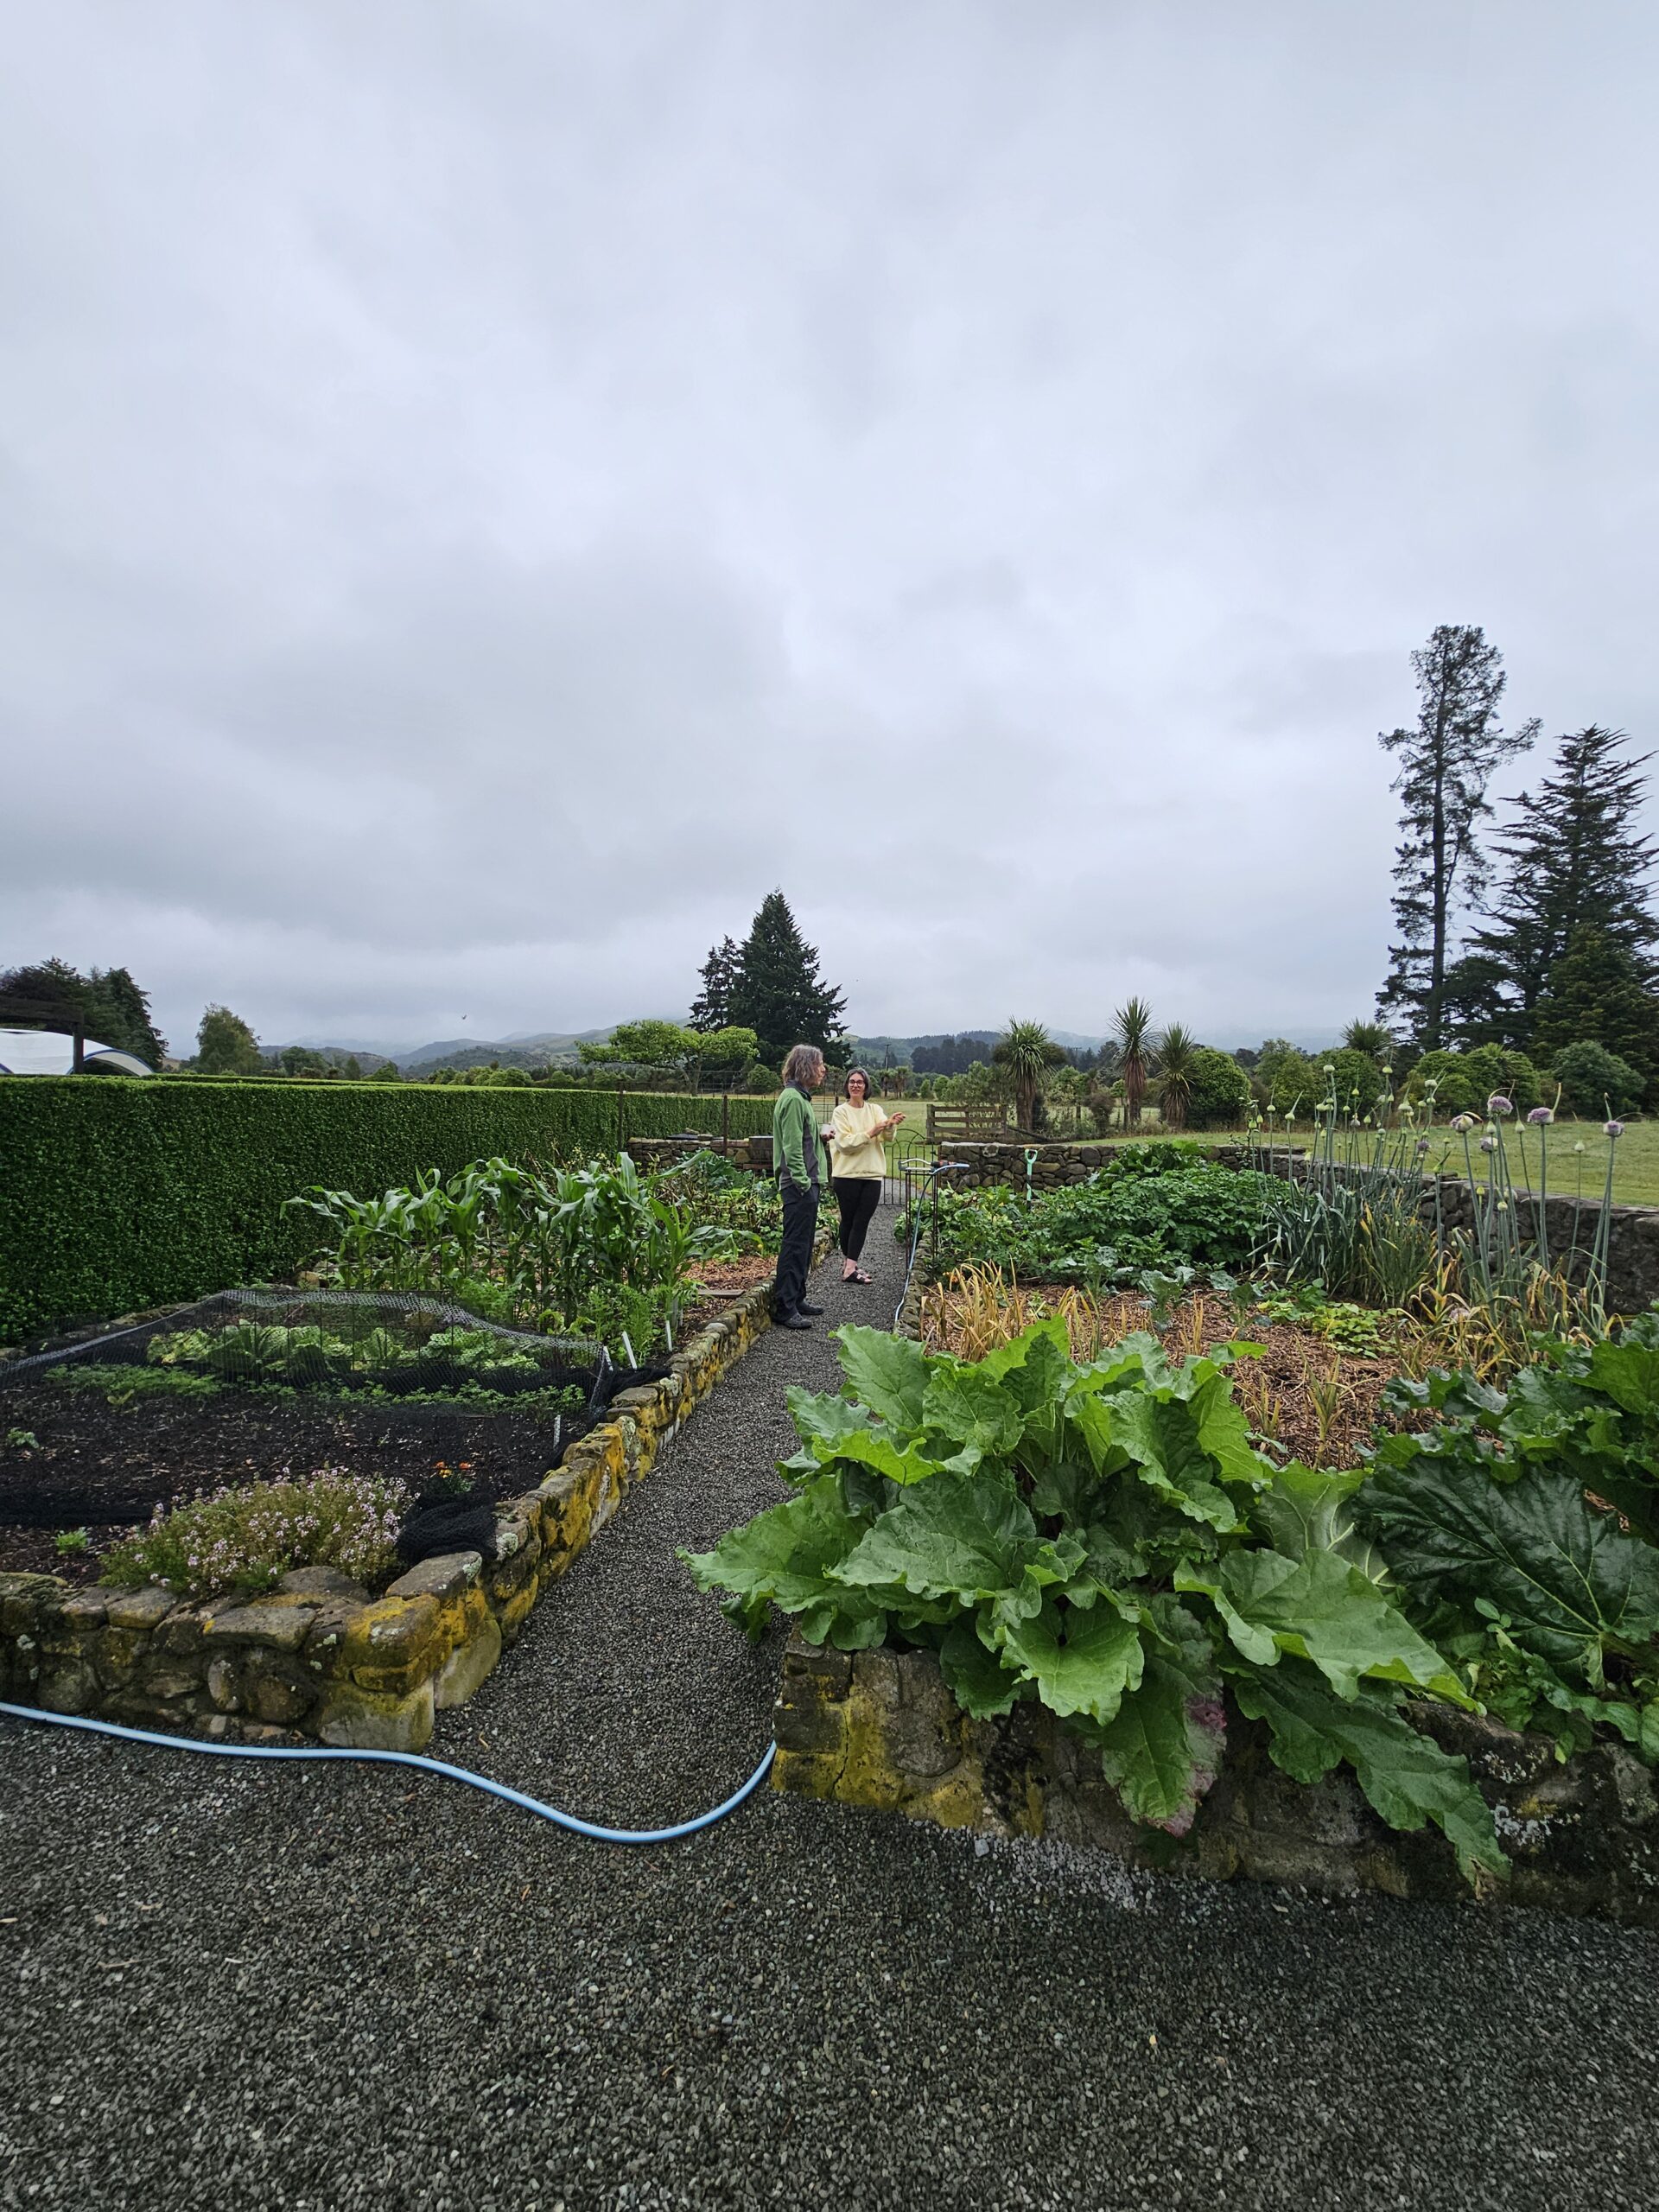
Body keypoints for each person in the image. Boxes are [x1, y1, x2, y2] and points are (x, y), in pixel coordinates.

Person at [827, 1067, 904, 1283]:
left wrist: (890, 1125)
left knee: (861, 1221)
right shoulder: (840, 1112)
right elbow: (844, 1144)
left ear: (866, 1086)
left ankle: (850, 1267)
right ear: (847, 1086)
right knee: (848, 1221)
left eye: (860, 1082)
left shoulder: (875, 1110)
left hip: (872, 1175)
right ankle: (849, 1266)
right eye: (852, 1082)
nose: (855, 1085)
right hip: (846, 1175)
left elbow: (887, 1138)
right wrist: (871, 1132)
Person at [771, 1043, 826, 1330]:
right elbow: (792, 1148)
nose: (823, 1069)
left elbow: (802, 1138)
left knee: (803, 1245)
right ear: (805, 1066)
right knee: (794, 1245)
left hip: (806, 1183)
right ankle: (785, 1307)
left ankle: (797, 1298)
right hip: (798, 1185)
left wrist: (821, 1135)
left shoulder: (801, 1098)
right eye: (819, 1064)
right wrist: (803, 1183)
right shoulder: (793, 1099)